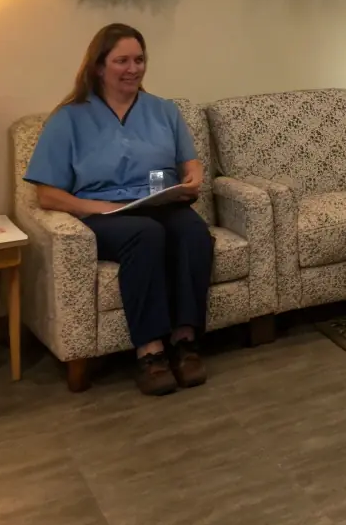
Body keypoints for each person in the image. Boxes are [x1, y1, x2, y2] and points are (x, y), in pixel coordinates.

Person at [24, 23, 213, 396]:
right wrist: (94, 206)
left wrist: (193, 178)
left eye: (139, 60)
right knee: (146, 235)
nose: (133, 69)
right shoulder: (69, 118)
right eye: (121, 60)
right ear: (98, 67)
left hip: (158, 201)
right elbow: (47, 194)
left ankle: (185, 340)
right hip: (104, 213)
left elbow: (190, 163)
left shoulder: (164, 110)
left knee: (193, 232)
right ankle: (150, 350)